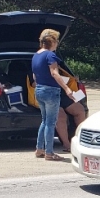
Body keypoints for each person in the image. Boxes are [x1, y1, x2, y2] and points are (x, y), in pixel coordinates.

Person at [31, 29, 72, 161]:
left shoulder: (36, 55)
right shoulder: (50, 56)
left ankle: (39, 149)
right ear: (52, 41)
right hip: (51, 92)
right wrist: (66, 88)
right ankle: (49, 152)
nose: (57, 43)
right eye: (57, 41)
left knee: (44, 121)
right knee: (50, 122)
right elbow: (55, 73)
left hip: (39, 90)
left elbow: (34, 75)